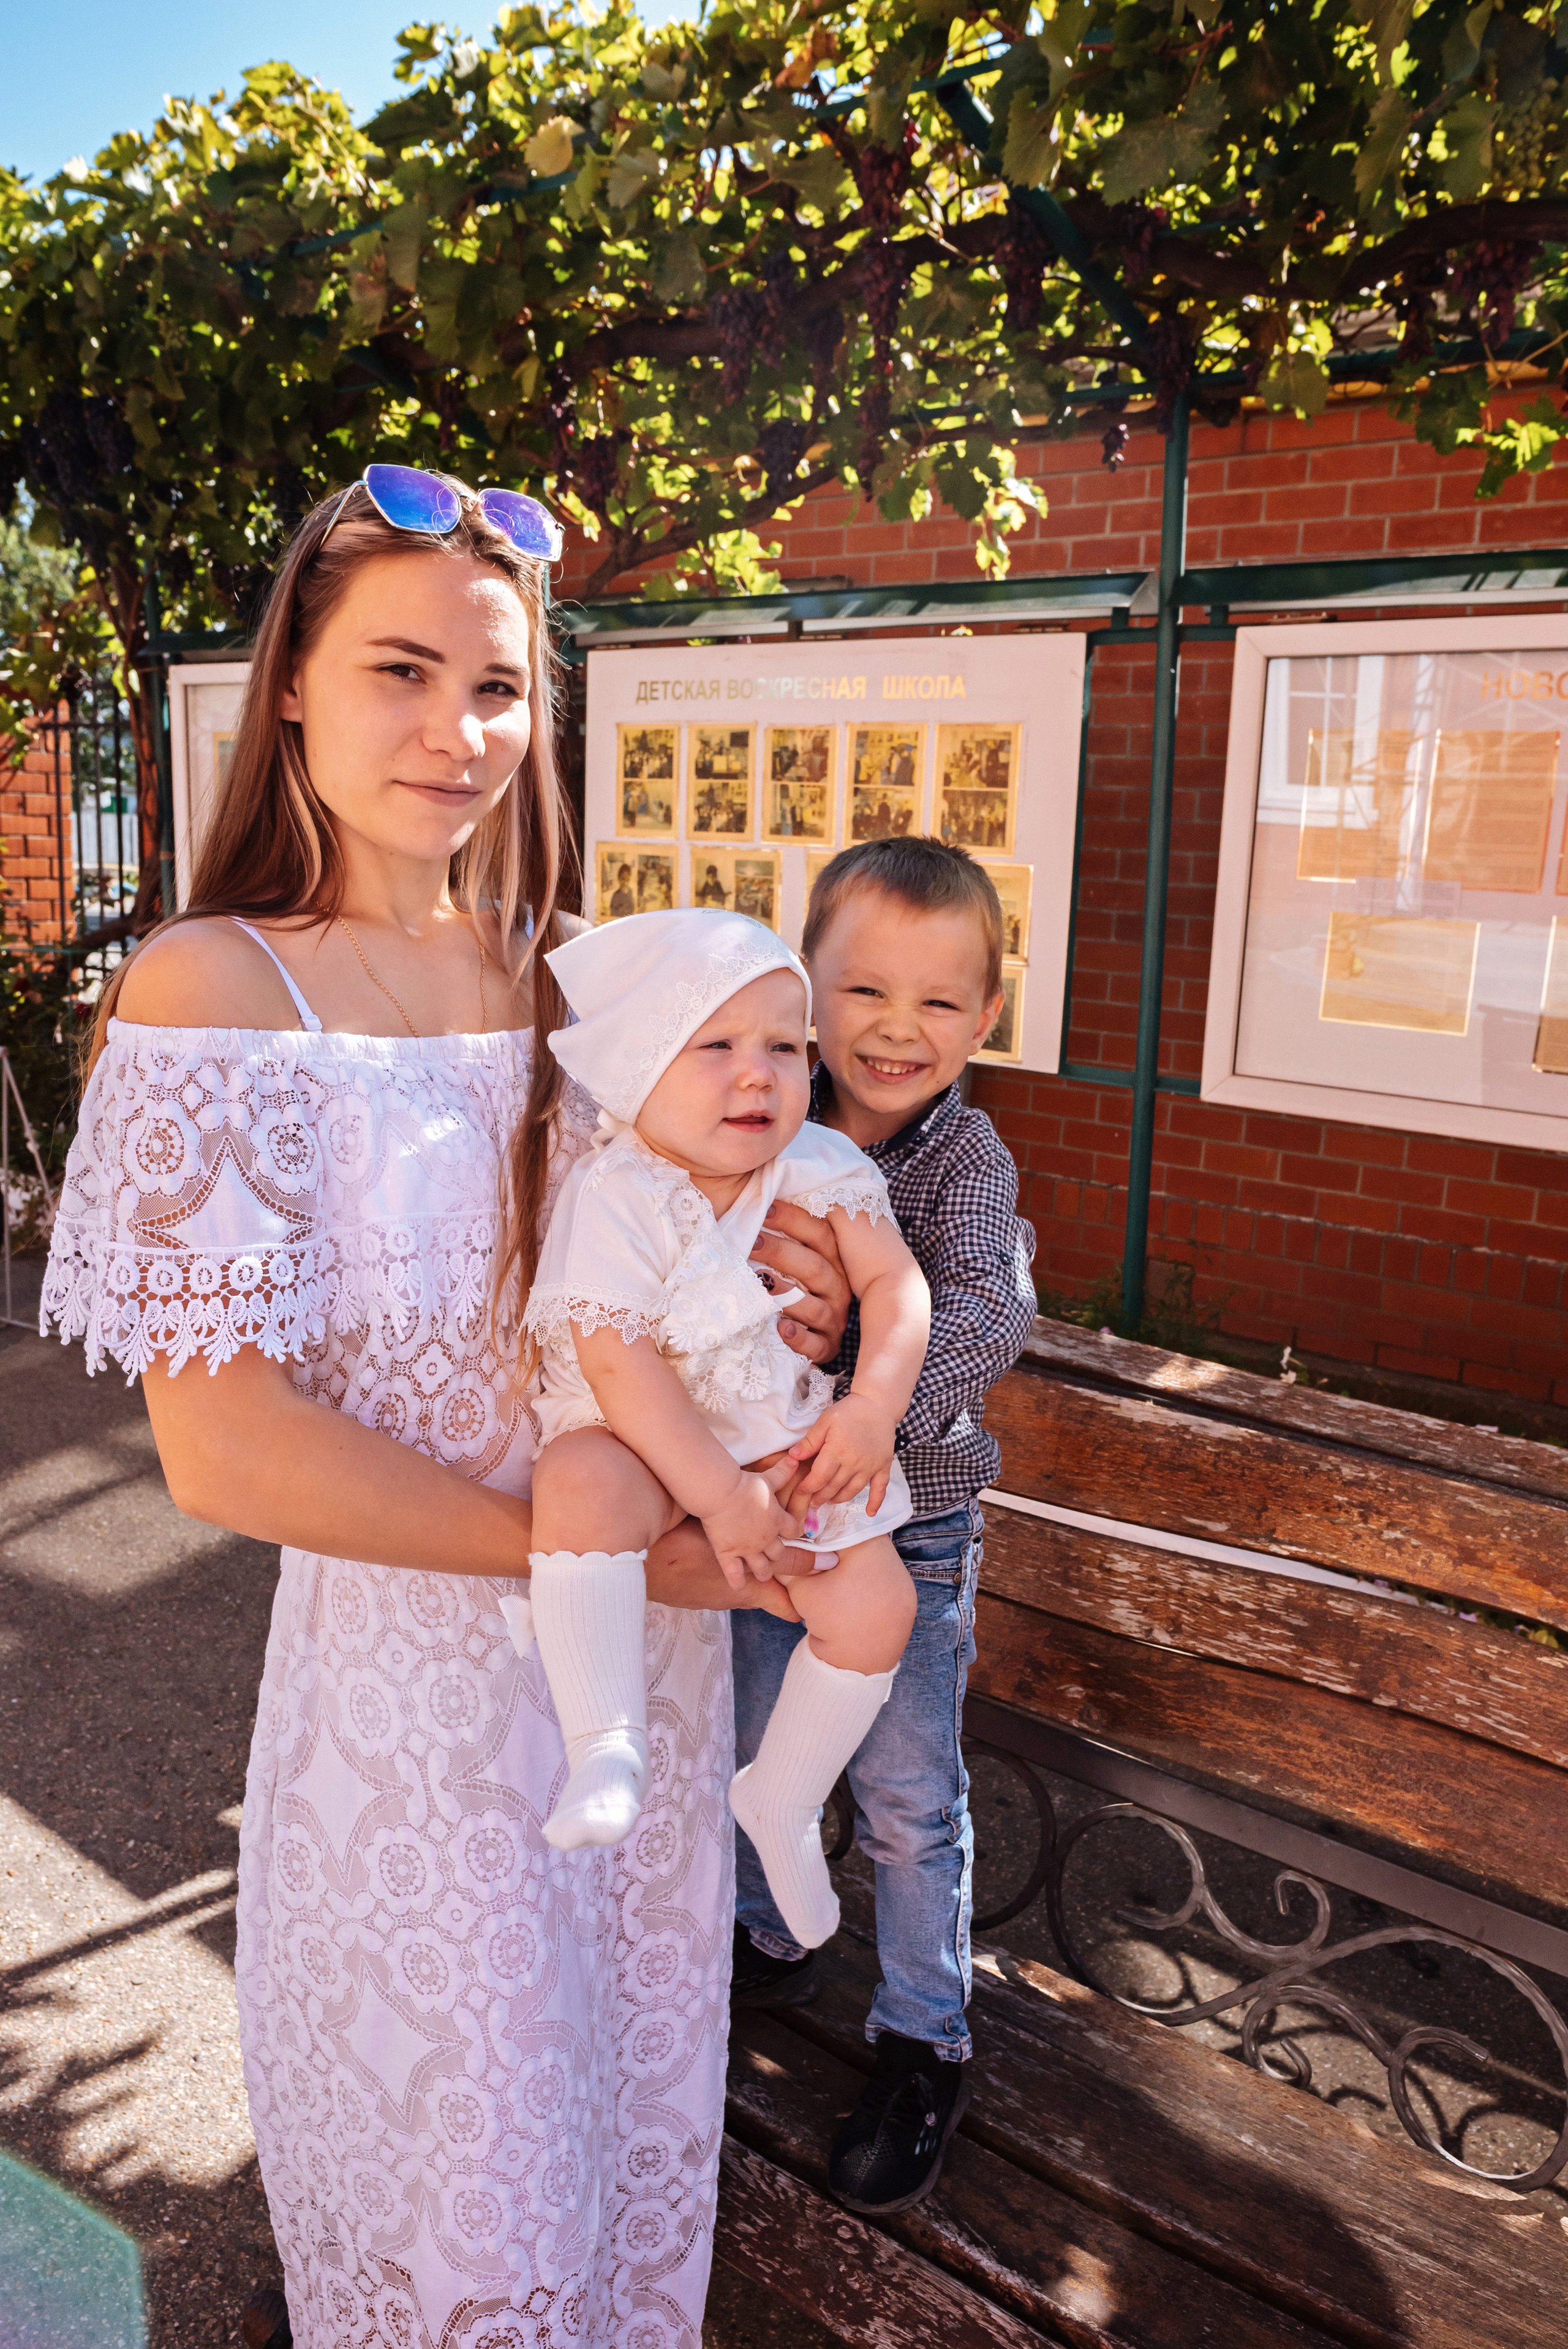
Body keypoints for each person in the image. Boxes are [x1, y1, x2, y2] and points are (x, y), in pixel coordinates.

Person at [38, 467, 851, 2349]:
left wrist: (787, 1281)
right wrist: (606, 1560)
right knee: (468, 2188)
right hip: (415, 1708)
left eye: (497, 689)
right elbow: (220, 1444)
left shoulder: (567, 975)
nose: (456, 731)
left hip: (632, 1672)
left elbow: (662, 1251)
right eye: (401, 671)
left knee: (621, 2125)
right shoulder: (214, 987)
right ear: (293, 694)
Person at [731, 836, 1039, 2218]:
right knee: (750, 1744)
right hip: (766, 1520)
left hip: (908, 1538)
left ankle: (922, 2034)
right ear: (805, 987)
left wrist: (862, 1363)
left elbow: (989, 1314)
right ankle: (766, 1930)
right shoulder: (751, 1117)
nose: (894, 1031)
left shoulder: (960, 1157)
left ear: (983, 1017)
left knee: (908, 1800)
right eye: (861, 993)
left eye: (936, 1003)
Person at [518, 912, 928, 1950]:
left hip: (767, 1430)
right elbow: (617, 1359)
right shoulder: (621, 1189)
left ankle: (782, 1796)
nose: (758, 1076)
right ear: (639, 1065)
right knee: (582, 1481)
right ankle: (604, 1737)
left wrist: (872, 1404)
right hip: (642, 1429)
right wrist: (714, 1492)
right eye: (716, 1046)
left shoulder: (820, 1166)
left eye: (784, 1048)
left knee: (879, 1604)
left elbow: (895, 1282)